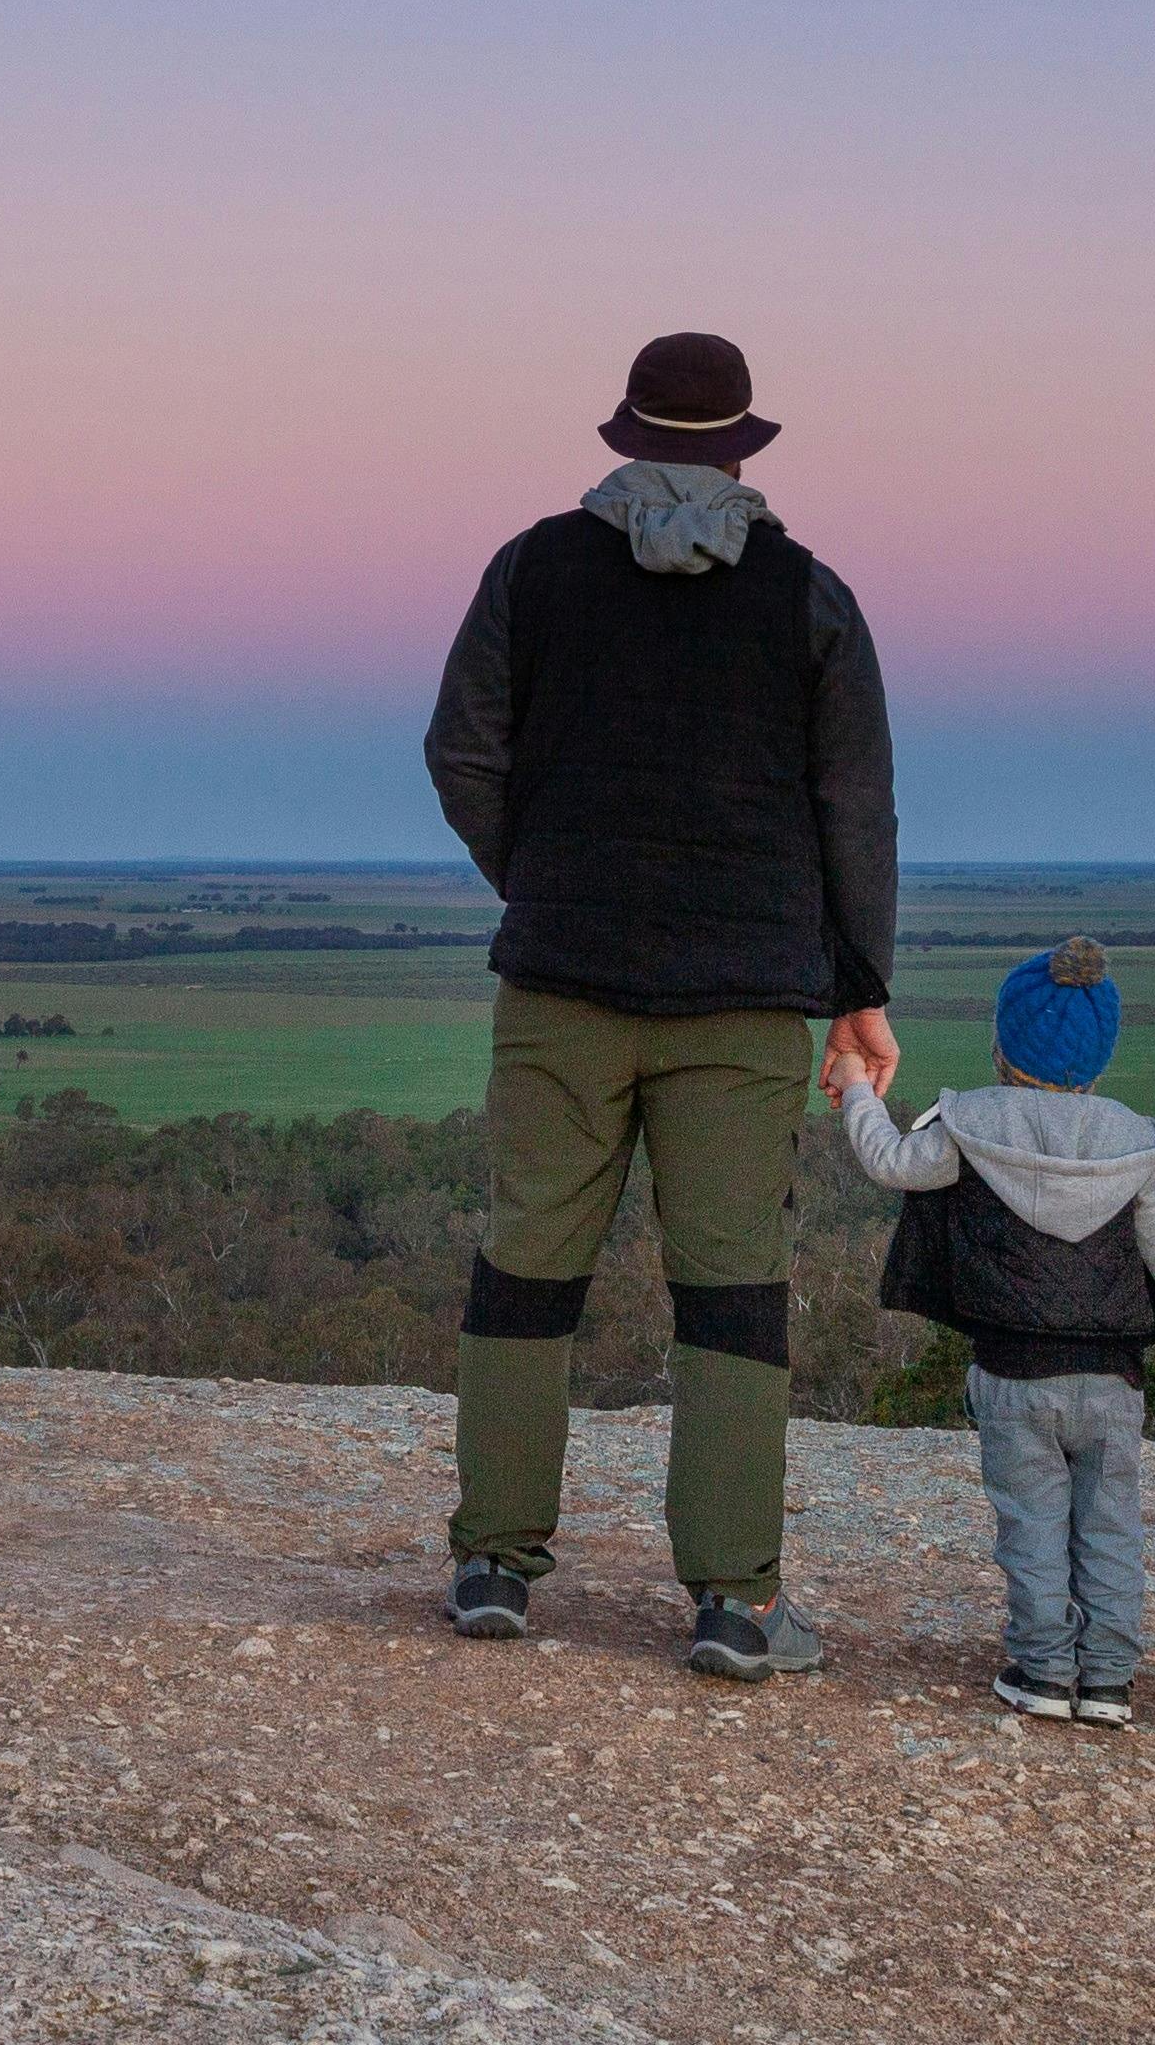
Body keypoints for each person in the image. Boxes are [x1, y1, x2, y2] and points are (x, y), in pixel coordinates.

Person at [422, 331, 899, 1682]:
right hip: (747, 1000)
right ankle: (735, 1604)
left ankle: (493, 1568)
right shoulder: (811, 600)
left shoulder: (532, 571)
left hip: (561, 979)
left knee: (527, 1269)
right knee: (733, 1292)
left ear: (627, 439)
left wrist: (546, 873)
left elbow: (461, 748)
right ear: (744, 452)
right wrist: (860, 988)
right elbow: (855, 808)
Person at [841, 937, 1155, 1726]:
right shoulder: (1137, 1142)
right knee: (1111, 1525)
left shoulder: (972, 1125)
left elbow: (890, 1161)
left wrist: (858, 1086)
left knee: (1031, 1524)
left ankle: (1040, 1671)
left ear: (1002, 1043)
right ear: (1100, 1057)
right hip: (1114, 1380)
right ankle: (1105, 1682)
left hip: (1011, 1374)